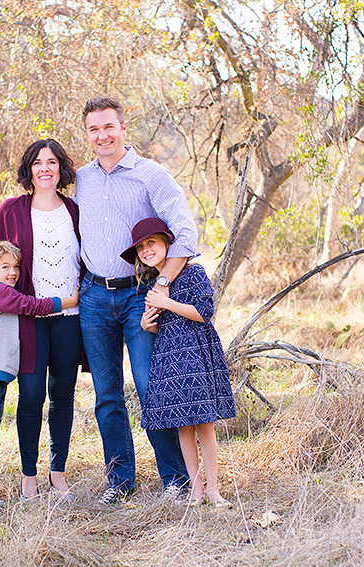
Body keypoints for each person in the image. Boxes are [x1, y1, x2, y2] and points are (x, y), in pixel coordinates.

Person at [74, 95, 197, 504]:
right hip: (92, 296)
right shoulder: (82, 179)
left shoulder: (151, 176)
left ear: (124, 128)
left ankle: (175, 481)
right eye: (94, 129)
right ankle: (119, 481)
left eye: (109, 126)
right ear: (87, 134)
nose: (102, 135)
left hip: (139, 296)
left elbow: (185, 233)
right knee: (107, 395)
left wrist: (162, 285)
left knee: (150, 387)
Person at [0, 139, 83, 501]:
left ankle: (58, 473)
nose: (44, 168)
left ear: (61, 168)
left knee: (62, 395)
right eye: (37, 163)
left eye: (51, 162)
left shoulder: (76, 211)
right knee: (31, 396)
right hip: (29, 319)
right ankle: (29, 476)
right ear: (29, 170)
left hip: (70, 317)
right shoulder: (11, 211)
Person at [122, 217, 236, 508]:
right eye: (141, 248)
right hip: (169, 355)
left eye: (152, 243)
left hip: (197, 351)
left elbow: (203, 312)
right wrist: (149, 326)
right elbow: (165, 324)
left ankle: (213, 489)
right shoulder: (148, 285)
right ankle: (195, 490)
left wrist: (166, 302)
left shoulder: (193, 272)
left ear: (167, 244)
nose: (147, 250)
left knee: (204, 424)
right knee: (183, 426)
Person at [0, 240, 79, 509]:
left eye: (16, 266)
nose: (13, 272)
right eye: (5, 267)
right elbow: (31, 306)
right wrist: (69, 301)